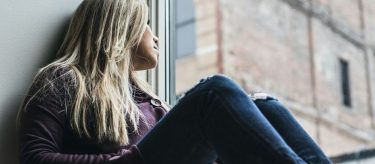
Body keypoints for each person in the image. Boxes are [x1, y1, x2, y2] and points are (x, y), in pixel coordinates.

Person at [17, 0, 332, 163]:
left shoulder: (146, 98)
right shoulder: (65, 79)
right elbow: (35, 159)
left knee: (265, 105)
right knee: (215, 93)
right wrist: (131, 161)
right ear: (119, 25)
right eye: (147, 24)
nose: (156, 37)